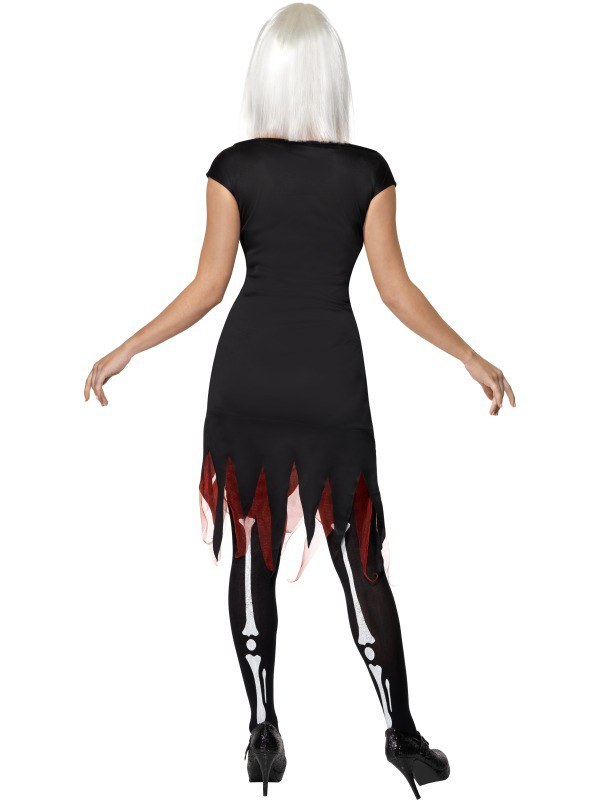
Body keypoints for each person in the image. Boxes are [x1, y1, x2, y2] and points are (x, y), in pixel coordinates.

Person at [84, 3, 515, 797]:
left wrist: (127, 348)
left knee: (252, 543)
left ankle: (262, 730)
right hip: (330, 380)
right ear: (332, 79)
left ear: (265, 77)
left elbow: (209, 288)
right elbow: (395, 290)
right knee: (362, 559)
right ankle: (403, 733)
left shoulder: (234, 167)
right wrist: (469, 356)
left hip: (246, 377)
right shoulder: (367, 172)